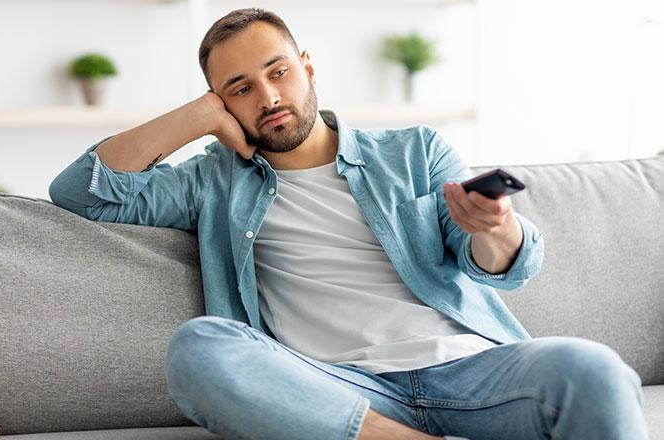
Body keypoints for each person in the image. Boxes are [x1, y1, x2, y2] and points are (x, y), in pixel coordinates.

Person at [48, 8, 647, 440]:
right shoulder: (211, 182)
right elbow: (81, 191)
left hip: (469, 370)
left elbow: (500, 266)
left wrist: (494, 225)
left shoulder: (414, 151)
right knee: (199, 348)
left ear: (308, 68)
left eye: (278, 72)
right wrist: (197, 117)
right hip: (335, 391)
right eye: (240, 88)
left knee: (593, 369)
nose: (268, 97)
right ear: (221, 102)